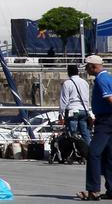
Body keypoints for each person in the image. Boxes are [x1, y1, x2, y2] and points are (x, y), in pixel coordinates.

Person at [81, 55, 112, 201]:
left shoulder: (101, 79)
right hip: (107, 119)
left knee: (93, 153)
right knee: (108, 155)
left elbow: (109, 98)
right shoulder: (108, 77)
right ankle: (111, 189)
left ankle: (93, 190)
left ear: (93, 66)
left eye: (87, 67)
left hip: (106, 121)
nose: (86, 70)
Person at [62, 63, 93, 145]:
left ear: (68, 72)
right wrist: (87, 110)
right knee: (85, 133)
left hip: (72, 111)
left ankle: (74, 152)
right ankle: (88, 152)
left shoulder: (67, 83)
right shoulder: (85, 83)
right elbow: (86, 98)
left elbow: (64, 100)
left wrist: (61, 112)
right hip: (84, 110)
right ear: (77, 72)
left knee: (72, 134)